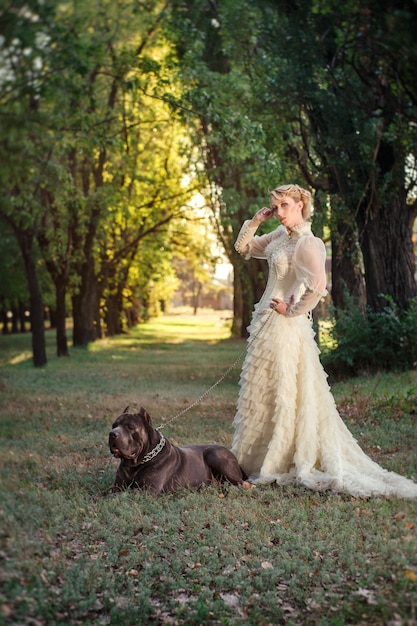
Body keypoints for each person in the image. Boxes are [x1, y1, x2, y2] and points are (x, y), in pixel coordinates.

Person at [231, 183, 417, 498]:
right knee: (264, 390)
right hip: (264, 323)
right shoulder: (280, 236)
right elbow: (244, 249)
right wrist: (256, 221)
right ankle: (261, 459)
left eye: (285, 205)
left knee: (287, 391)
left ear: (302, 204)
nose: (280, 212)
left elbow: (318, 287)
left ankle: (286, 459)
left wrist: (291, 310)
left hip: (285, 328)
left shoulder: (308, 243)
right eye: (276, 207)